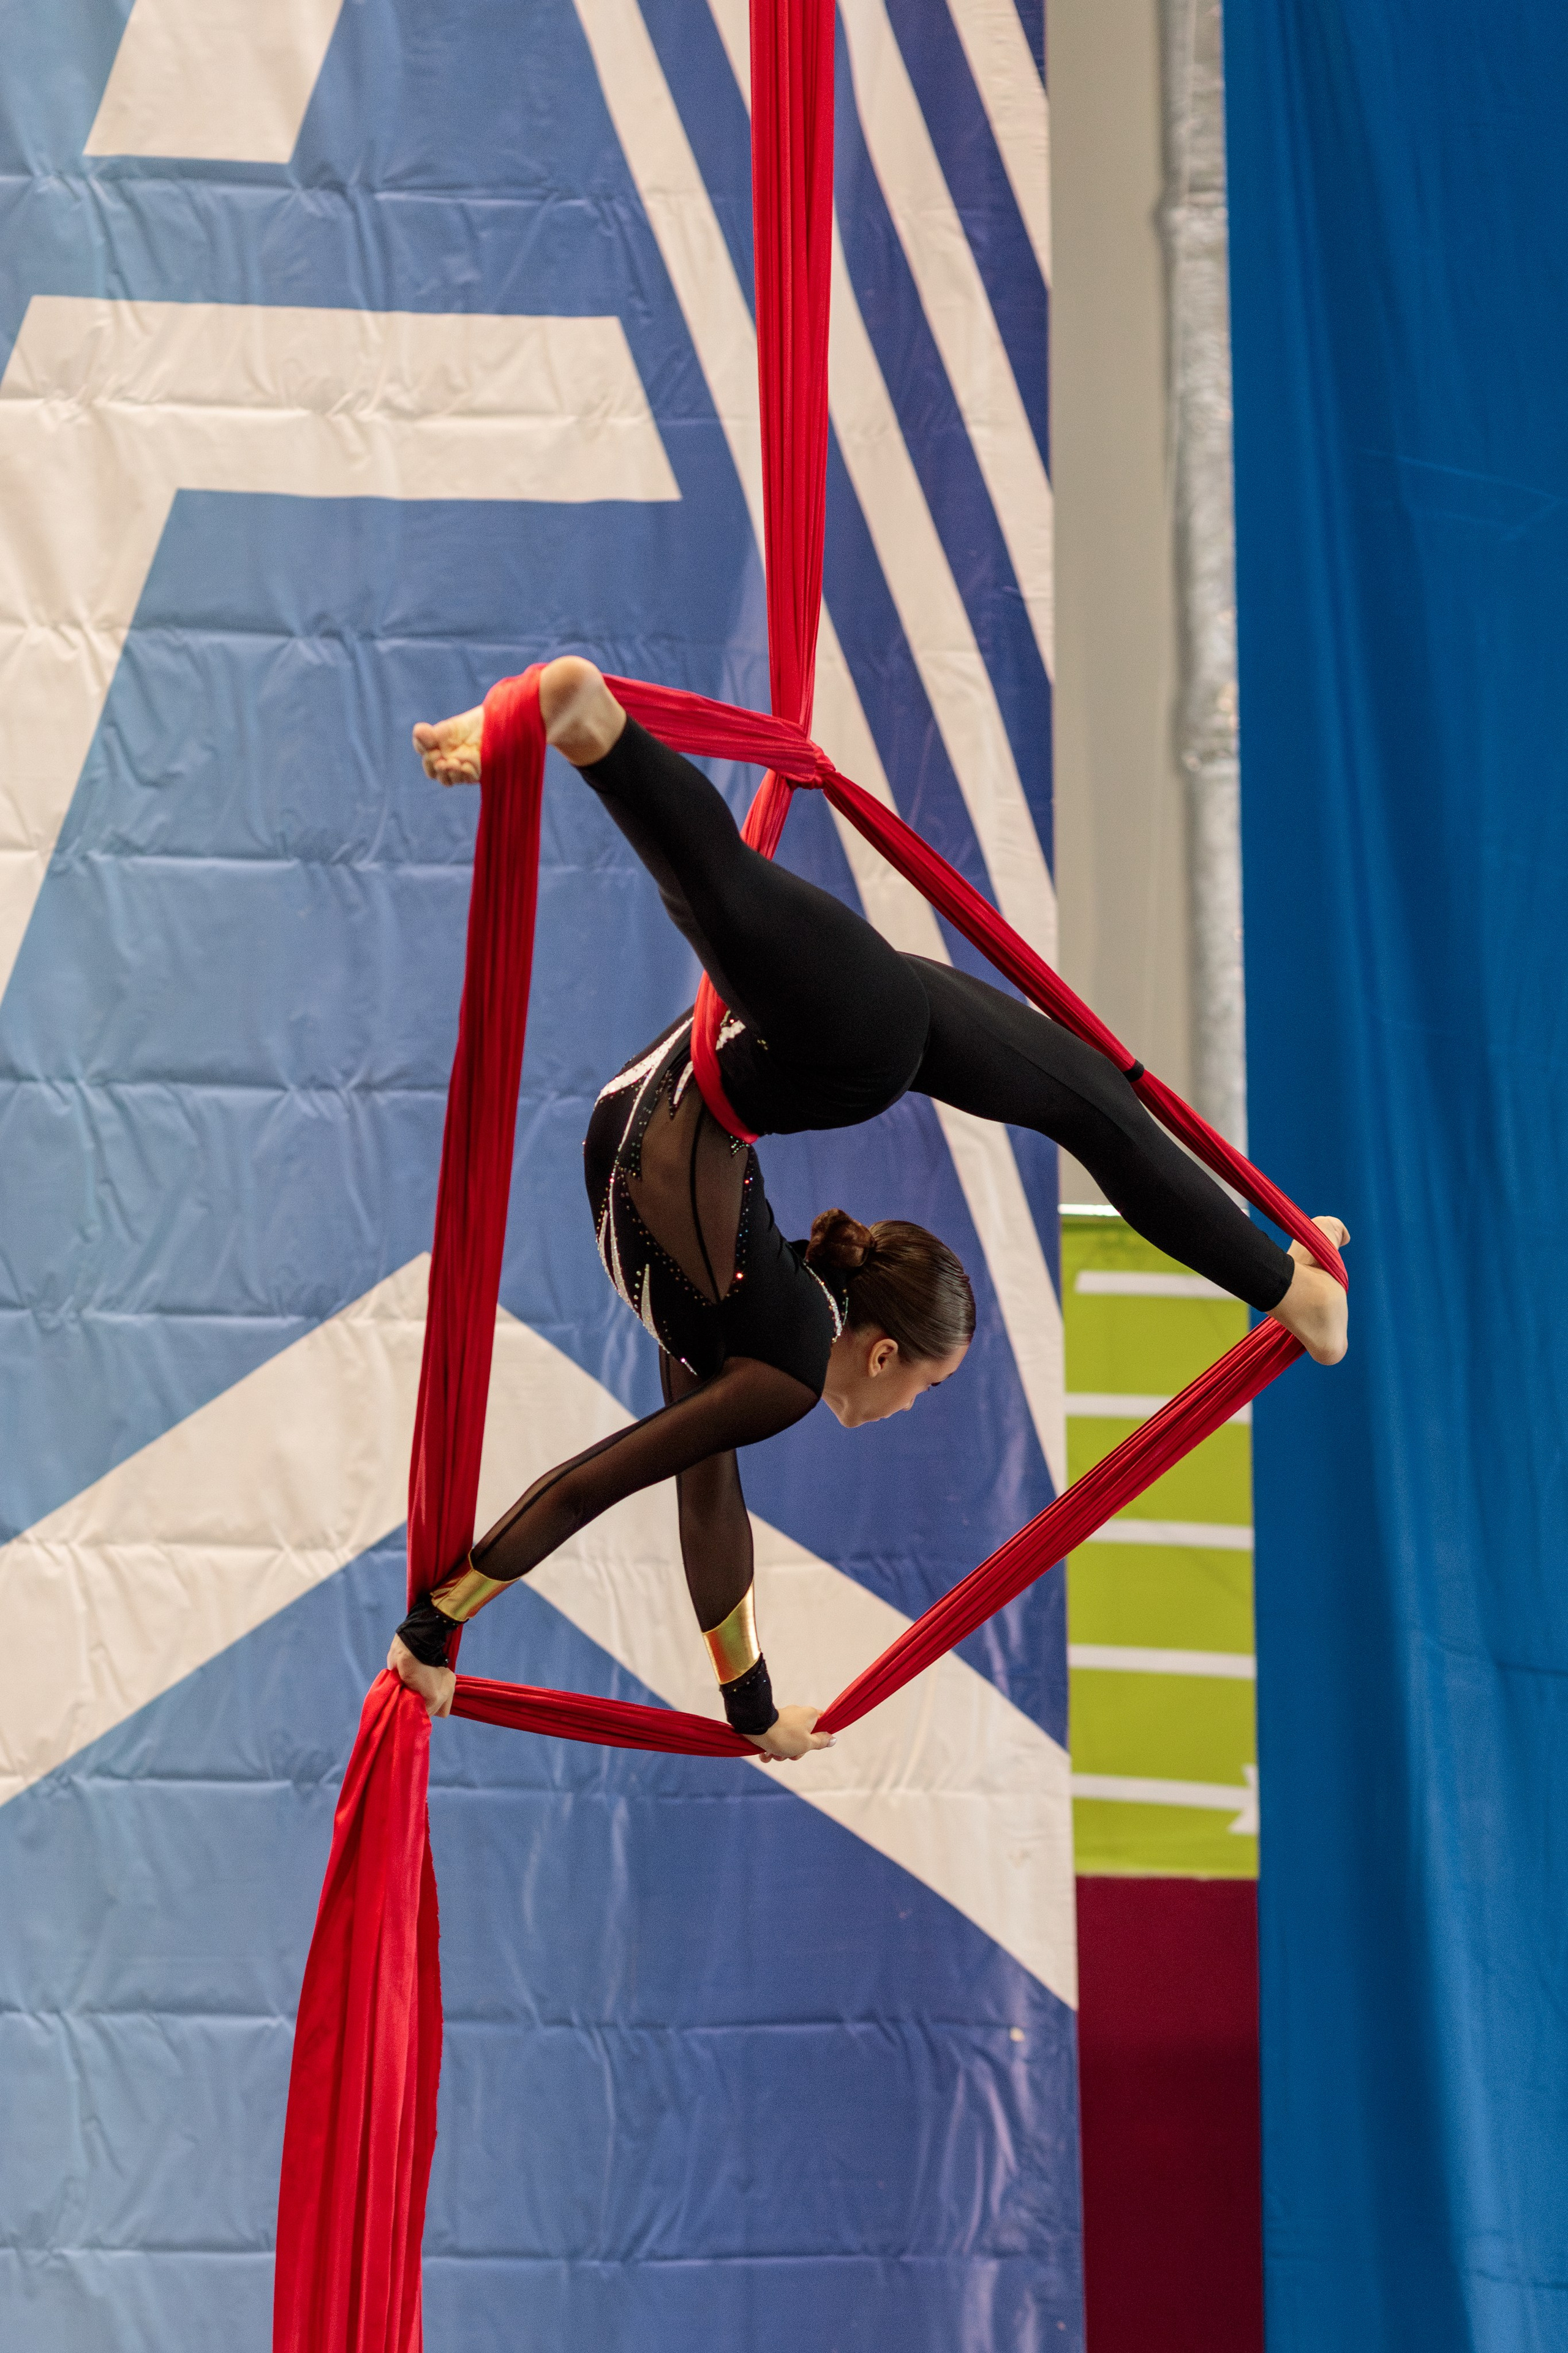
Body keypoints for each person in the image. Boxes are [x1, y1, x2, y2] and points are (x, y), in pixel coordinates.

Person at [389, 659, 1349, 1758]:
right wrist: (433, 1630)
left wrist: (754, 1715)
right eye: (931, 1386)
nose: (910, 1409)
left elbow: (699, 1504)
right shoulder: (782, 1363)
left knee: (1072, 1093)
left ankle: (1290, 1284)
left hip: (727, 1078)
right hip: (786, 1063)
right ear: (882, 1351)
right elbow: (591, 1485)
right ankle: (582, 719)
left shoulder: (743, 1348)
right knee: (731, 902)